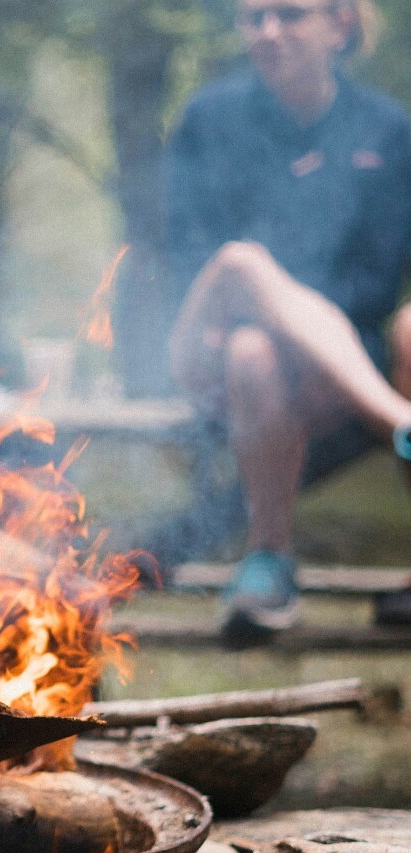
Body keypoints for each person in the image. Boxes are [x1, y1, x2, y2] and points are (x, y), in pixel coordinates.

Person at [164, 0, 411, 640]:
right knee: (245, 270)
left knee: (267, 351)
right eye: (254, 18)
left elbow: (380, 280)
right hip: (205, 339)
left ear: (340, 25)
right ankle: (400, 423)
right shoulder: (210, 118)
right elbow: (185, 254)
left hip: (315, 363)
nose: (269, 32)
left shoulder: (386, 131)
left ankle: (268, 567)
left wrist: (300, 328)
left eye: (290, 15)